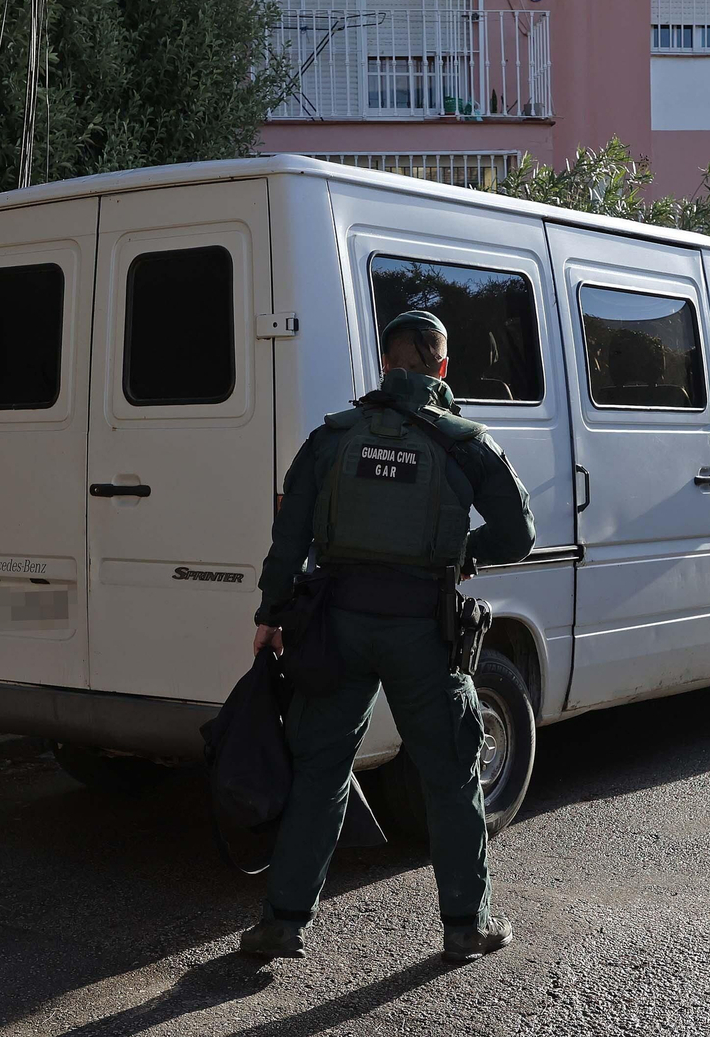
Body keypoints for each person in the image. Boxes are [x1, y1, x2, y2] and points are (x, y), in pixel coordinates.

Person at [237, 309, 536, 961]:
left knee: (321, 768)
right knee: (452, 774)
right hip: (424, 632)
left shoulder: (333, 437)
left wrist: (270, 613)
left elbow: (289, 537)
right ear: (441, 368)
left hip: (336, 625)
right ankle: (465, 925)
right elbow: (520, 533)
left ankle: (282, 922)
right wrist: (462, 552)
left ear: (386, 363)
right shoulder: (464, 441)